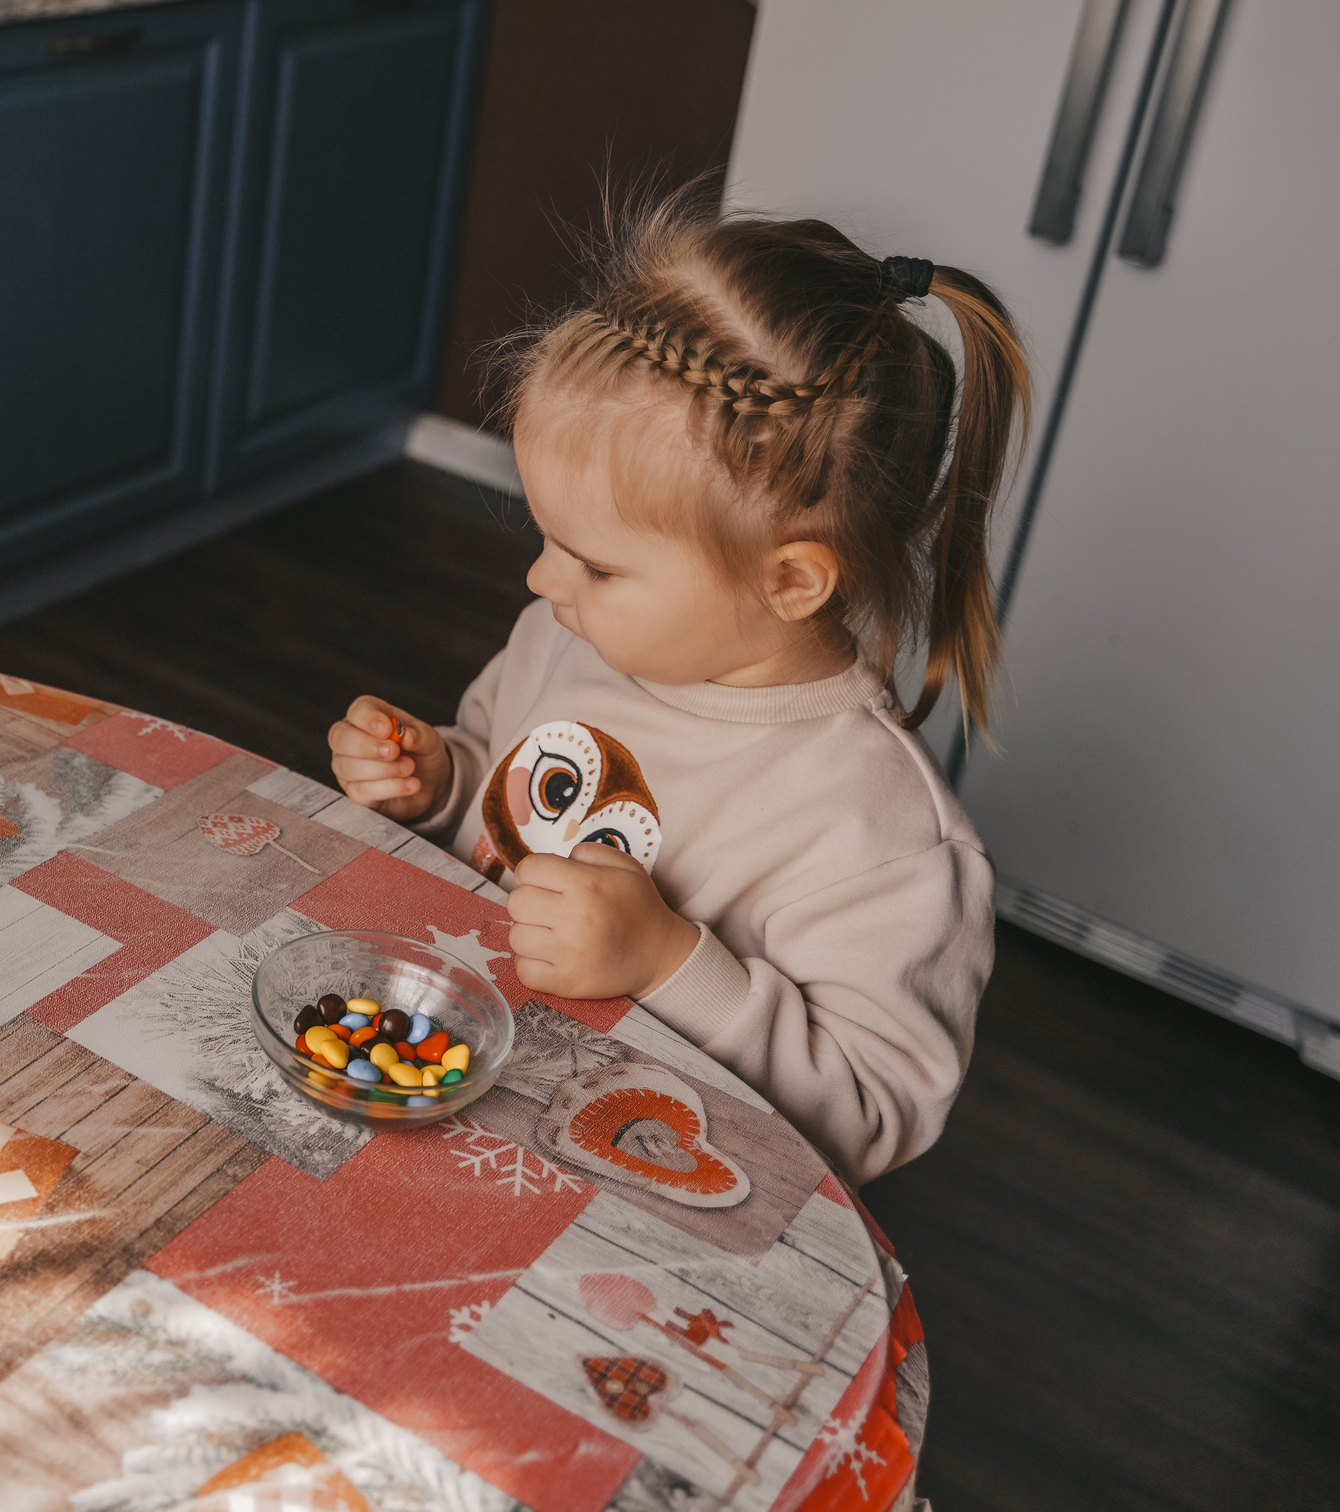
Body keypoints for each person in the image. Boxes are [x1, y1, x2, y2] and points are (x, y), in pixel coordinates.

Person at [328, 198, 1030, 1182]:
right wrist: (440, 777)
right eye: (544, 536)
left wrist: (667, 963)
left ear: (790, 581)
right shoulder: (565, 637)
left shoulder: (881, 839)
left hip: (618, 1187)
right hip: (445, 1085)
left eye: (596, 564)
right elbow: (499, 780)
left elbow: (867, 1115)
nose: (540, 581)